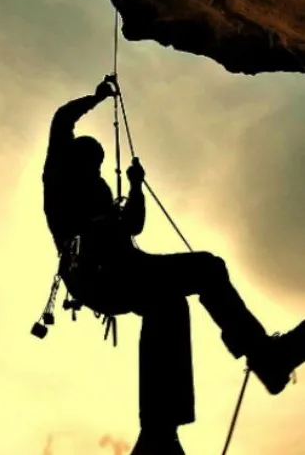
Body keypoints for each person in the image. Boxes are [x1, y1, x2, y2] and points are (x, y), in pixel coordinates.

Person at [42, 78, 305, 455]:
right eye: (90, 161)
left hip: (125, 269)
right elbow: (61, 120)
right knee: (207, 270)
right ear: (74, 158)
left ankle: (160, 432)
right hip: (96, 273)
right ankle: (267, 358)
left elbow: (133, 225)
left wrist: (135, 188)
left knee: (169, 304)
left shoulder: (99, 191)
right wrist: (97, 98)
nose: (95, 168)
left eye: (98, 164)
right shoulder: (58, 176)